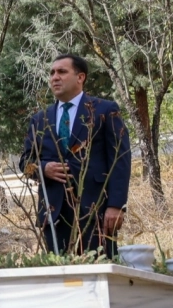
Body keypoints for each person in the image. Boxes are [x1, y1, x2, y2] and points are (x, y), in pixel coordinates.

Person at [19, 54, 131, 258]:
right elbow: (25, 161)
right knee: (61, 274)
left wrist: (116, 205)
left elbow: (120, 160)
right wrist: (42, 168)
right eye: (52, 73)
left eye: (62, 72)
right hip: (54, 214)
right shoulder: (40, 119)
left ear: (80, 77)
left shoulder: (104, 110)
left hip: (95, 211)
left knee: (98, 270)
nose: (55, 77)